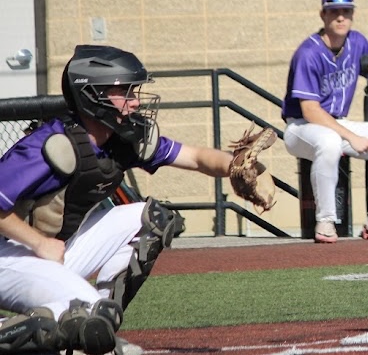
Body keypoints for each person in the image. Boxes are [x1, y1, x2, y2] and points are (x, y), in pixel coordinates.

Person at [0, 45, 260, 355]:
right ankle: (83, 319)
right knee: (85, 314)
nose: (135, 101)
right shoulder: (50, 145)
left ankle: (97, 319)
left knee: (149, 219)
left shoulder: (120, 139)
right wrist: (39, 243)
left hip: (47, 250)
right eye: (124, 91)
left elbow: (195, 157)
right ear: (91, 95)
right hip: (9, 256)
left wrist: (240, 167)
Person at [282, 0, 368, 243]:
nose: (340, 17)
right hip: (301, 128)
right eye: (334, 12)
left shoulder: (357, 42)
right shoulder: (308, 52)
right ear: (323, 15)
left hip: (337, 124)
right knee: (329, 142)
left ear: (352, 15)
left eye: (346, 11)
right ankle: (326, 221)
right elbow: (310, 110)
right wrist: (352, 137)